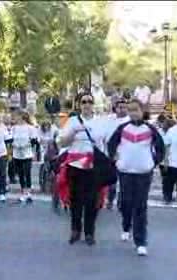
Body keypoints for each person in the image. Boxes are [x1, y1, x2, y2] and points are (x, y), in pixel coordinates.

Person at [108, 99, 165, 256]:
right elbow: (111, 145)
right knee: (126, 202)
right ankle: (126, 226)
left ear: (142, 111)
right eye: (130, 110)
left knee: (140, 206)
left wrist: (152, 162)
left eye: (136, 110)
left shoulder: (150, 129)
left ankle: (140, 241)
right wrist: (115, 160)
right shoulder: (122, 128)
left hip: (143, 173)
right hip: (125, 171)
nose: (133, 113)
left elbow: (160, 148)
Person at [57, 93, 106, 246]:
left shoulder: (101, 122)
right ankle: (75, 230)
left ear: (93, 104)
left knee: (92, 202)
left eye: (89, 102)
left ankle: (90, 233)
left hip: (93, 167)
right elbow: (62, 143)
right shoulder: (71, 121)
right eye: (83, 102)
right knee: (75, 201)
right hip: (75, 166)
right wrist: (74, 132)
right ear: (79, 104)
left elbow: (105, 143)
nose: (87, 104)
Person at [105, 98, 130, 210]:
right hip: (111, 155)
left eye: (124, 107)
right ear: (115, 108)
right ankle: (110, 200)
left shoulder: (130, 121)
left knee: (124, 181)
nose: (122, 110)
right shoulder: (109, 120)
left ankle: (121, 201)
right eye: (120, 107)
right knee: (112, 181)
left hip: (125, 155)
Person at [12, 111, 36, 203]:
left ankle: (29, 193)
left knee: (27, 173)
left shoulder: (30, 128)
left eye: (17, 116)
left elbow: (33, 141)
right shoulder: (14, 128)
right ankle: (23, 192)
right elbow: (11, 139)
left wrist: (26, 145)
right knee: (20, 174)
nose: (16, 118)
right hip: (17, 153)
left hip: (27, 153)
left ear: (22, 117)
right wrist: (14, 144)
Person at [156, 113, 176, 204]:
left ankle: (167, 195)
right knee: (167, 179)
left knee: (169, 179)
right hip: (164, 160)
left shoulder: (173, 132)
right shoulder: (159, 131)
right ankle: (167, 196)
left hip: (173, 160)